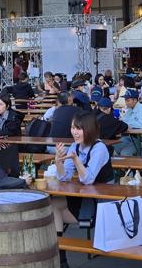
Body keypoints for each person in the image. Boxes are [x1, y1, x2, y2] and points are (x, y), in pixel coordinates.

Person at [49, 111, 114, 265]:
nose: (75, 132)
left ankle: (62, 257)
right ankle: (61, 259)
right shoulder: (75, 146)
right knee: (52, 205)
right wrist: (58, 161)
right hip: (84, 196)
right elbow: (64, 177)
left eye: (79, 128)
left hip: (102, 202)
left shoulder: (99, 148)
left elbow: (88, 179)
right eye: (73, 128)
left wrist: (76, 160)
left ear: (89, 129)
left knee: (55, 210)